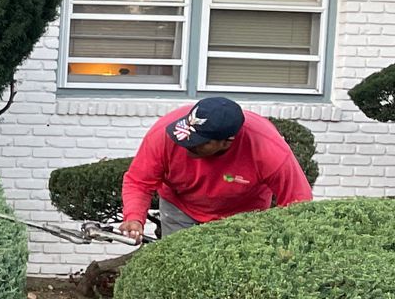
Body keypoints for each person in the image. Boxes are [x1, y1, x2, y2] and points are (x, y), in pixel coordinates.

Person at [120, 96, 312, 243]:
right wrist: (134, 218)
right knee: (181, 267)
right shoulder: (164, 135)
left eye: (198, 141)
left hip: (244, 215)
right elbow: (139, 182)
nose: (185, 143)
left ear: (227, 141)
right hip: (181, 208)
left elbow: (297, 202)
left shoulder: (267, 148)